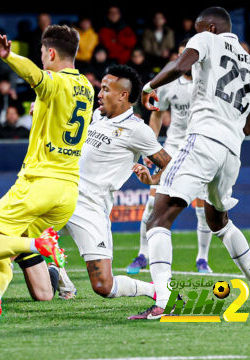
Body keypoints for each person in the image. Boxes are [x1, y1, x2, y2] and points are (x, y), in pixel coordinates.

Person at [135, 7, 250, 320]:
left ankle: (162, 301)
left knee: (158, 217)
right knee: (219, 221)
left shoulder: (206, 40)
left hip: (203, 139)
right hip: (233, 151)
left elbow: (180, 64)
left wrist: (149, 87)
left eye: (198, 30)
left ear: (209, 28)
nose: (193, 37)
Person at [0, 25, 94, 323]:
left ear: (50, 53)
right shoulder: (87, 87)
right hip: (68, 190)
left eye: (41, 54)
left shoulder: (55, 82)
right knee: (5, 248)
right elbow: (61, 115)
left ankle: (40, 246)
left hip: (38, 184)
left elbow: (36, 76)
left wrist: (9, 56)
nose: (41, 59)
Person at [63, 65, 169, 305]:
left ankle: (154, 290)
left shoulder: (137, 130)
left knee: (104, 286)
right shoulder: (97, 117)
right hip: (62, 195)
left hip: (91, 207)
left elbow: (170, 166)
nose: (99, 94)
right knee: (10, 235)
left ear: (122, 95)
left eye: (105, 89)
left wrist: (152, 180)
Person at [128, 40, 213, 275]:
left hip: (201, 148)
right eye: (180, 54)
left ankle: (202, 259)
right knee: (153, 202)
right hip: (173, 149)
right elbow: (156, 115)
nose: (183, 59)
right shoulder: (166, 82)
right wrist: (150, 147)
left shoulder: (210, 80)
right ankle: (143, 253)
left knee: (203, 205)